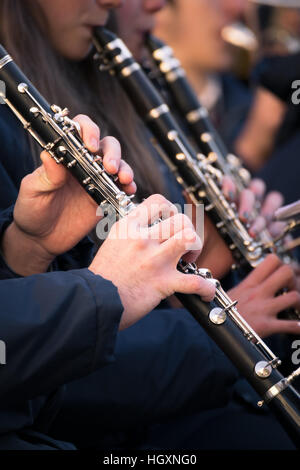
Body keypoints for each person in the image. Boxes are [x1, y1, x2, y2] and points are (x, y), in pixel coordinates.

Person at [0, 0, 298, 450]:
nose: (131, 3)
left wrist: (210, 265)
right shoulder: (21, 118)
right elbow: (64, 380)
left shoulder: (96, 95)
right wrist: (218, 338)